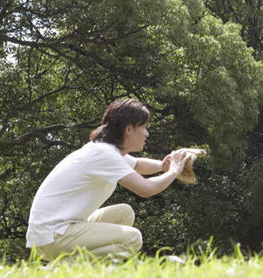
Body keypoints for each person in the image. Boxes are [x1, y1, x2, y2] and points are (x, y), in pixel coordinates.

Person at [26, 98, 201, 261]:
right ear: (128, 129)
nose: (147, 134)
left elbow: (138, 164)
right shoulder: (104, 154)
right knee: (132, 238)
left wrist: (164, 165)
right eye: (144, 127)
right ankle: (60, 271)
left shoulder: (106, 151)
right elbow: (146, 189)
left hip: (56, 231)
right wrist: (174, 171)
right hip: (53, 236)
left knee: (124, 214)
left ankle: (96, 276)